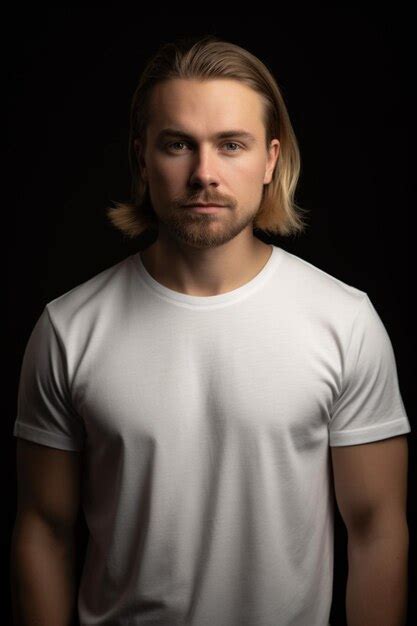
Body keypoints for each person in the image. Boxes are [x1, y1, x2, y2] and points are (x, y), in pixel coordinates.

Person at [11, 35, 411, 626]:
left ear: (271, 159)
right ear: (142, 157)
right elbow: (43, 531)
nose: (204, 174)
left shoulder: (345, 322)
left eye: (231, 145)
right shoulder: (69, 328)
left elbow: (377, 530)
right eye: (178, 145)